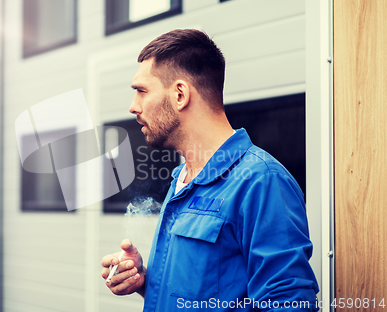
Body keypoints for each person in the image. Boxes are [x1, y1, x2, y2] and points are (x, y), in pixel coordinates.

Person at [100, 29, 319, 311]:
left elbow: (289, 305)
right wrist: (145, 283)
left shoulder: (261, 181)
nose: (133, 107)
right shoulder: (182, 178)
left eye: (141, 91)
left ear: (180, 94)